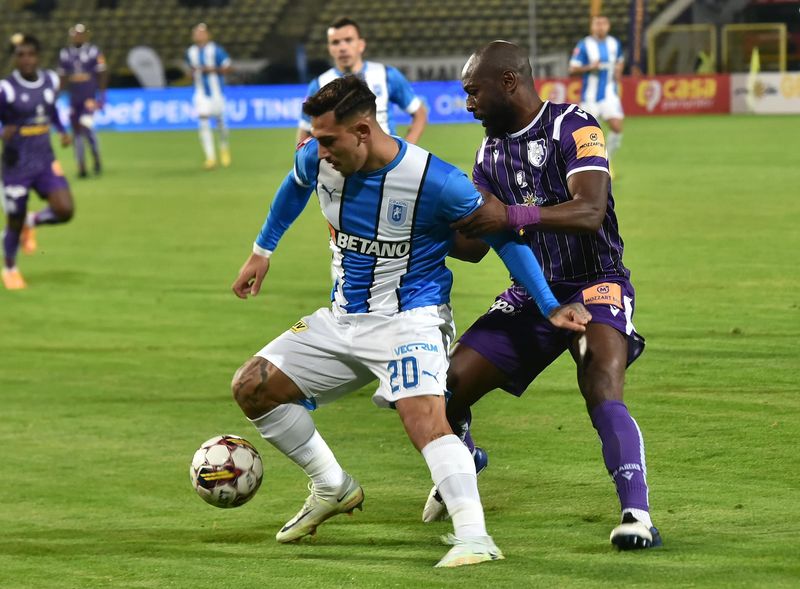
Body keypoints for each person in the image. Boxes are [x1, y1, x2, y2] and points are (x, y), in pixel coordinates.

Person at [230, 75, 591, 567]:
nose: (319, 149)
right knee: (253, 386)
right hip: (341, 319)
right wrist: (261, 251)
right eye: (315, 138)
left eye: (329, 139)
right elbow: (295, 187)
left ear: (362, 130)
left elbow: (502, 237)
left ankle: (474, 537)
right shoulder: (317, 158)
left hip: (410, 319)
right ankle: (332, 486)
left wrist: (549, 304)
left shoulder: (434, 181)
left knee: (422, 417)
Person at [421, 41, 662, 551]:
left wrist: (512, 215)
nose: (468, 104)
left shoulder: (575, 125)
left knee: (599, 378)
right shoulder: (488, 154)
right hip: (532, 294)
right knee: (445, 388)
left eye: (473, 91)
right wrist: (423, 225)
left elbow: (589, 211)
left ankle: (636, 514)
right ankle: (464, 457)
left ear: (508, 81)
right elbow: (473, 246)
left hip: (597, 282)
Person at [1, 34, 74, 290]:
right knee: (14, 218)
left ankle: (31, 224)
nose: (26, 60)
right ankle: (10, 267)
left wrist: (62, 130)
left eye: (30, 54)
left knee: (65, 210)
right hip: (16, 165)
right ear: (15, 59)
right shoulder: (6, 89)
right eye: (20, 55)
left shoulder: (50, 81)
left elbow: (50, 108)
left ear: (38, 56)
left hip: (44, 160)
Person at [297, 17, 427, 145]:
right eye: (335, 42)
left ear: (361, 45)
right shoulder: (319, 84)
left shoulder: (386, 75)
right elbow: (306, 128)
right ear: (330, 48)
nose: (342, 47)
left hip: (386, 160)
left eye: (348, 40)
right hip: (342, 163)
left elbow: (419, 112)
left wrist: (408, 147)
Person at [569, 15, 624, 175]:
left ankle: (608, 160)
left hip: (609, 94)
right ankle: (589, 167)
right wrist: (589, 67)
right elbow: (573, 69)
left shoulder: (614, 43)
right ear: (592, 26)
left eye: (603, 23)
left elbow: (619, 59)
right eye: (597, 23)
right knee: (591, 134)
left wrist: (619, 70)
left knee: (617, 128)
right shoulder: (584, 45)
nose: (600, 26)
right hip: (590, 97)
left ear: (608, 26)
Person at [58, 23, 107, 178]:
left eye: (80, 34)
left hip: (89, 98)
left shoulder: (93, 51)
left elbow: (102, 73)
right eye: (75, 34)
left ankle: (95, 158)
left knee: (86, 126)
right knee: (76, 131)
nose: (78, 36)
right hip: (74, 98)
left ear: (85, 35)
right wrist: (57, 94)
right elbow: (63, 76)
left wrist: (102, 96)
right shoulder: (65, 53)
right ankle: (81, 166)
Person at [185, 23, 231, 170]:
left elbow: (227, 66)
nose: (198, 35)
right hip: (200, 94)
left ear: (208, 34)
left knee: (220, 123)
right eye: (195, 32)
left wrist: (212, 69)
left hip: (216, 93)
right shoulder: (190, 52)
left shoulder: (215, 50)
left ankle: (224, 147)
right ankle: (210, 158)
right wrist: (191, 74)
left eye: (201, 32)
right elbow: (190, 70)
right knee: (203, 119)